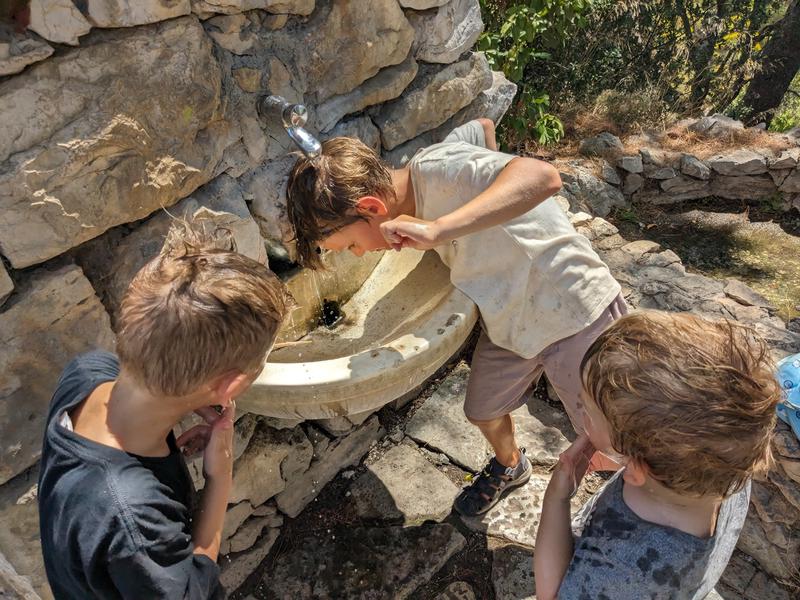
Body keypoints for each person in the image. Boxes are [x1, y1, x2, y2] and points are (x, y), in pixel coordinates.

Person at [286, 118, 626, 516]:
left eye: (350, 245)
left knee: (611, 436)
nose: (358, 254)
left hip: (573, 312)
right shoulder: (433, 166)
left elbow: (543, 176)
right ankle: (511, 464)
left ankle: (633, 510)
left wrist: (440, 229)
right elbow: (481, 128)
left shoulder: (441, 171)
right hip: (512, 321)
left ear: (372, 208)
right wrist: (486, 217)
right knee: (482, 409)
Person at [38, 220, 289, 599]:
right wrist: (219, 479)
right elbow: (192, 587)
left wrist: (171, 445)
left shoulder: (87, 371)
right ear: (230, 387)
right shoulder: (136, 522)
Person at [534, 311, 781, 600]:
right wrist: (621, 459)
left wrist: (557, 498)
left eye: (586, 410)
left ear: (638, 470)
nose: (580, 410)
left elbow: (551, 594)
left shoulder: (620, 572)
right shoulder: (728, 467)